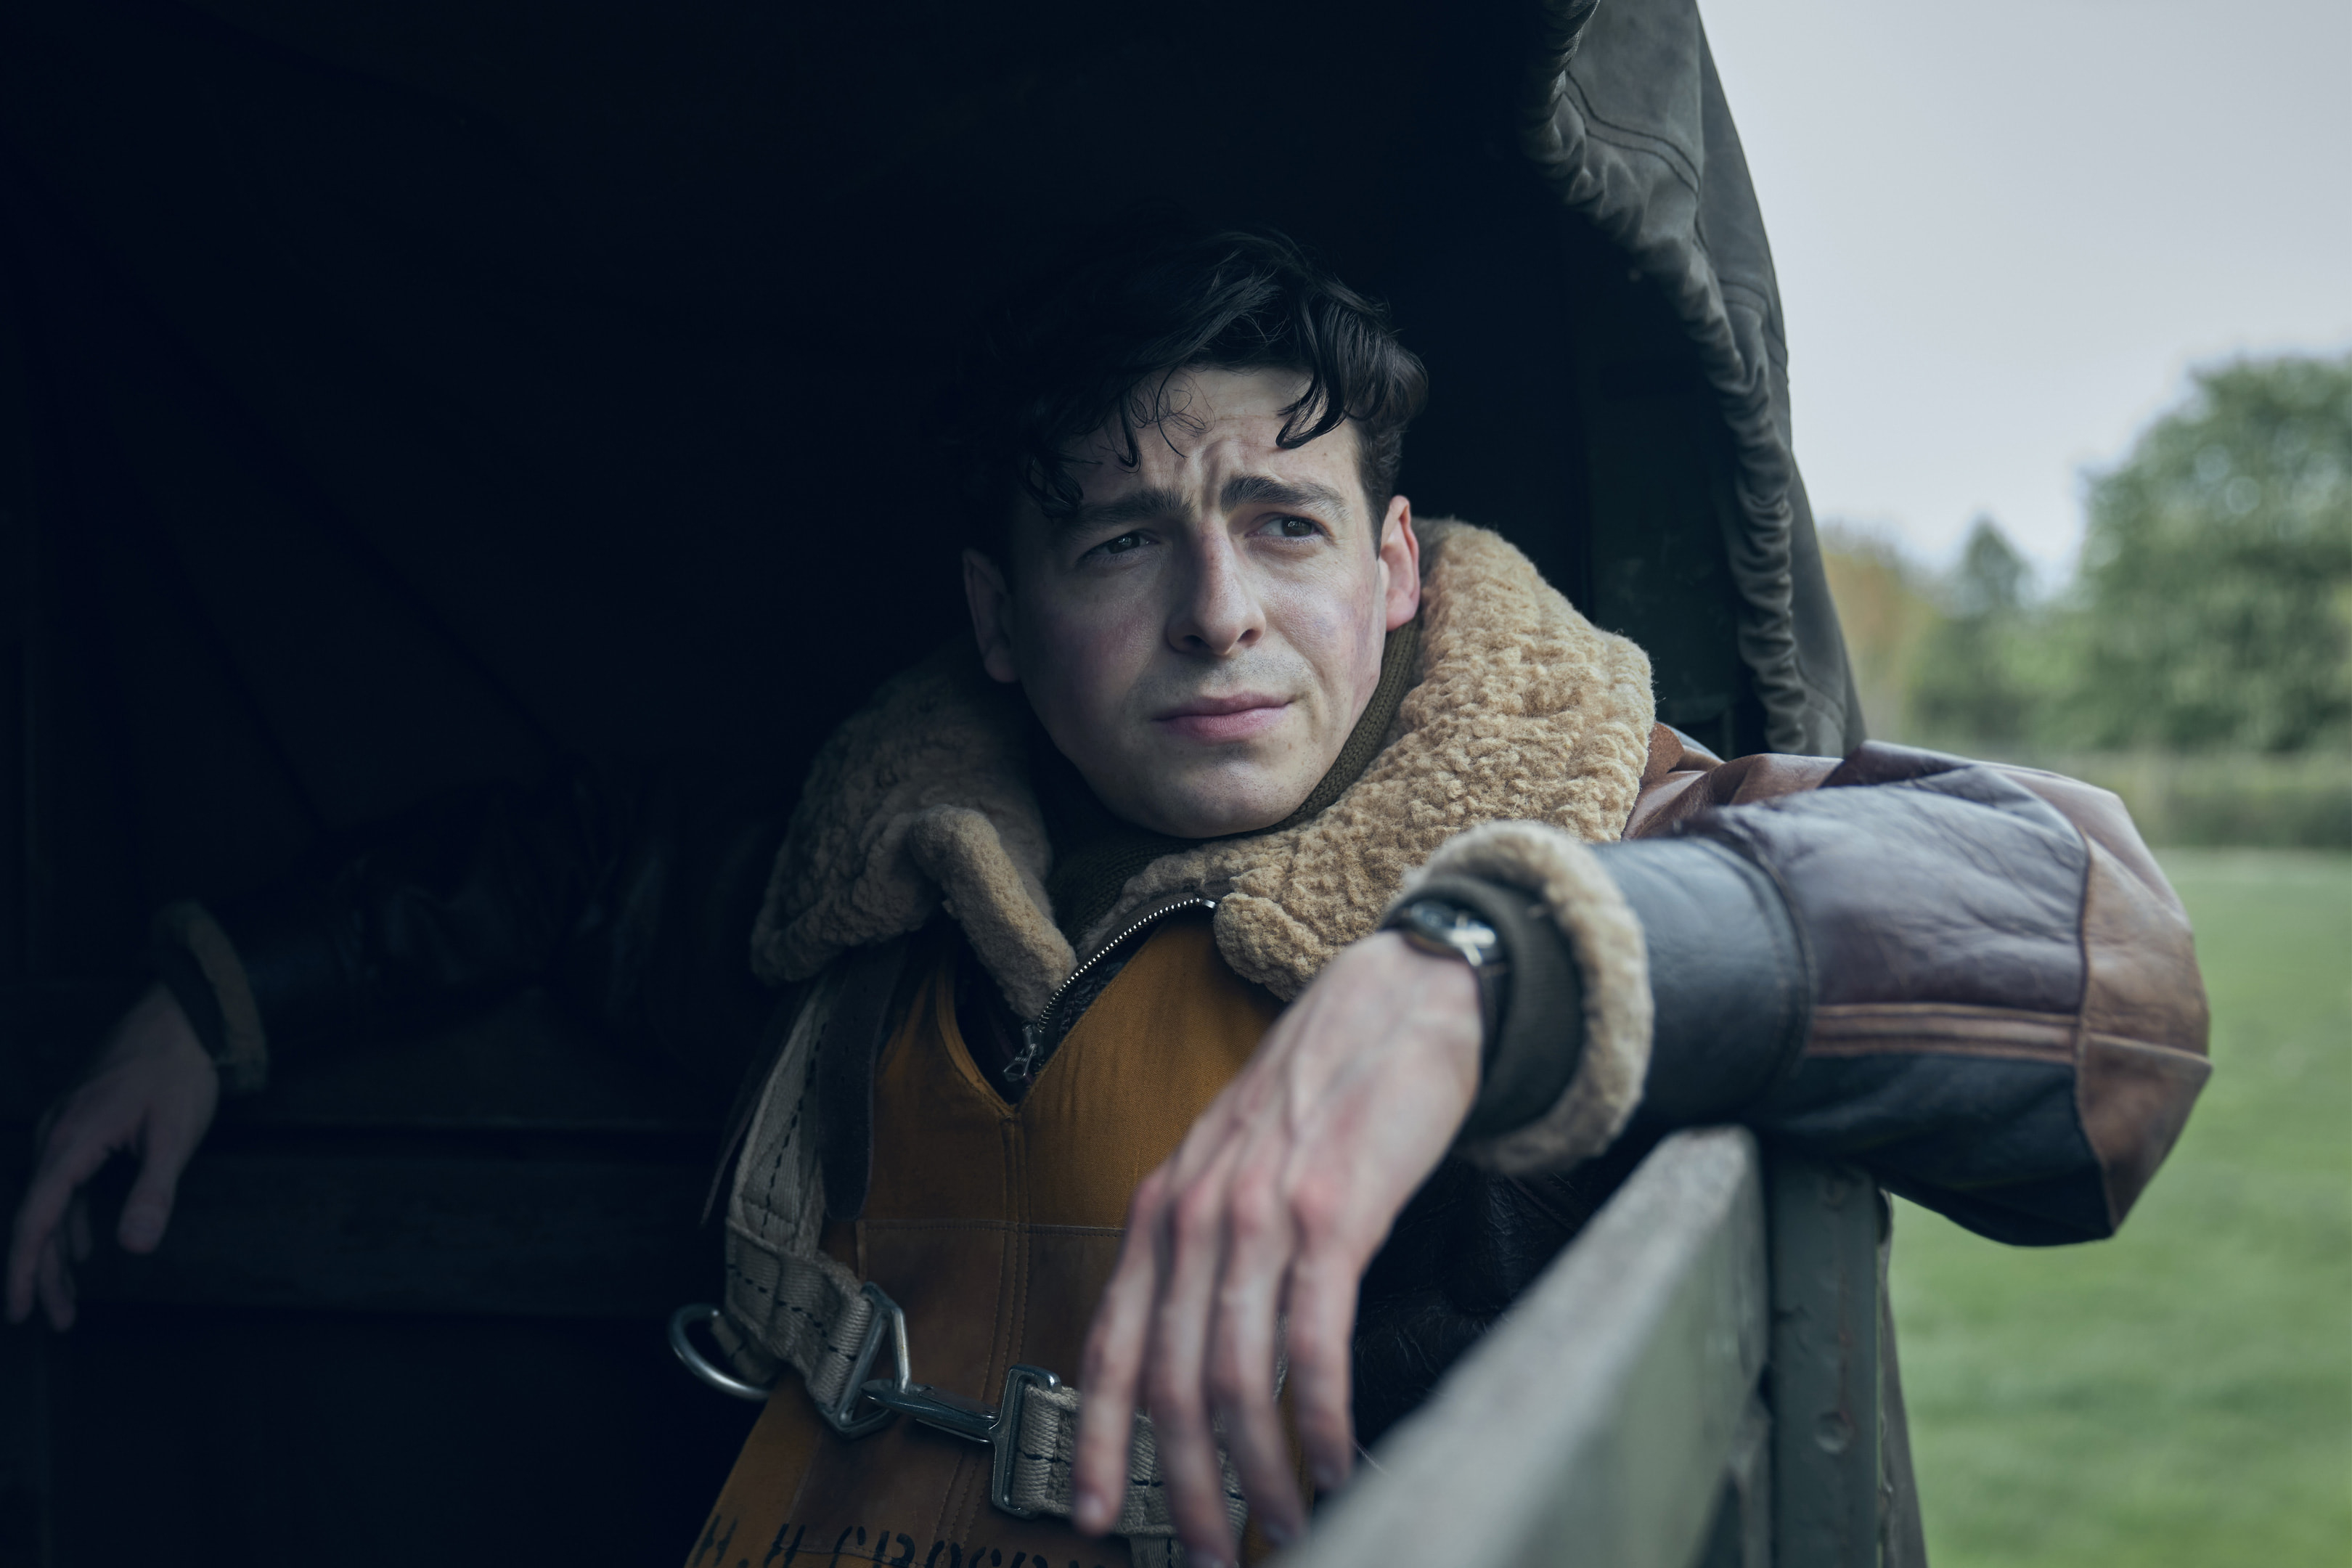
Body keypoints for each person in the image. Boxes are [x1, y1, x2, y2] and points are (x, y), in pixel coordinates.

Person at [7, 229, 2210, 1568]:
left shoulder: (1576, 820)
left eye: (1282, 521)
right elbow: (552, 866)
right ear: (999, 616)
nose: (1217, 613)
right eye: (1118, 542)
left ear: (1400, 565)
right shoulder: (886, 871)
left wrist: (1478, 970)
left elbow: (2096, 961)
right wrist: (216, 999)